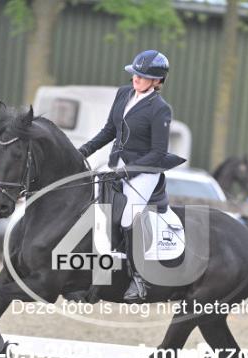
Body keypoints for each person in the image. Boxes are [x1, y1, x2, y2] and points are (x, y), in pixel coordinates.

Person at [78, 50, 185, 303]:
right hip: (115, 165)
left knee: (128, 217)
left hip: (144, 172)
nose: (136, 78)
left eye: (143, 75)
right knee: (92, 206)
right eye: (135, 73)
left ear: (156, 81)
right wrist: (83, 151)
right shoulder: (123, 93)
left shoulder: (160, 109)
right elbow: (109, 130)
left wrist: (129, 171)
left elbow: (158, 153)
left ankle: (139, 278)